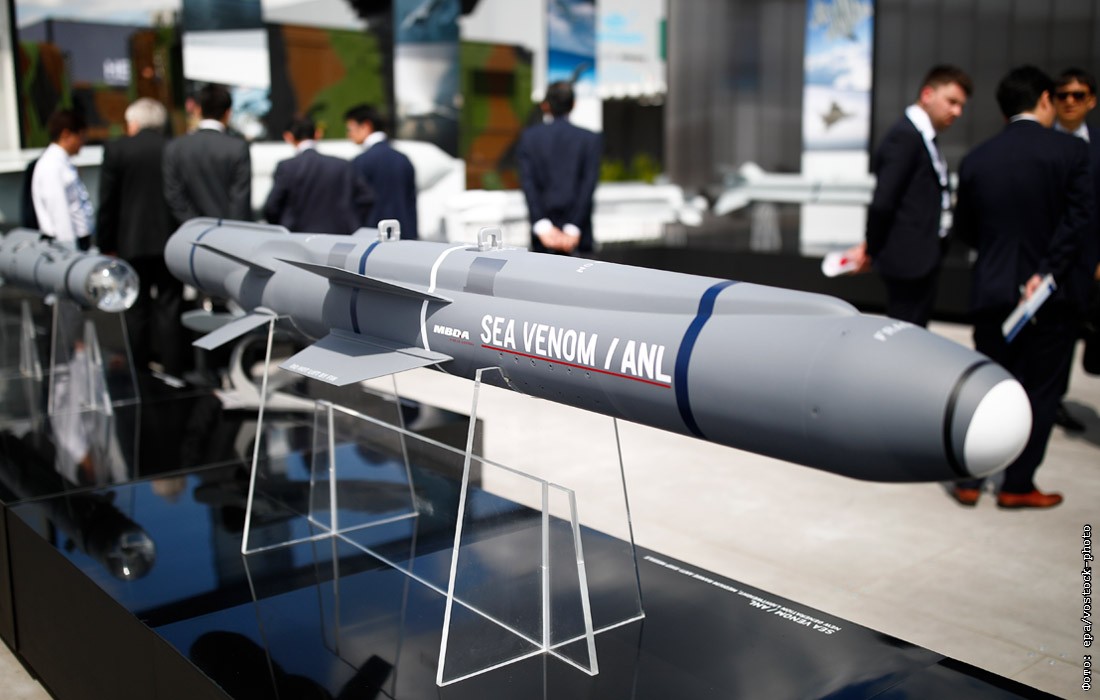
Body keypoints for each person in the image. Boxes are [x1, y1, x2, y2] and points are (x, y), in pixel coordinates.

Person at [950, 65, 1094, 509]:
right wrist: (1045, 272)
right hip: (1051, 298)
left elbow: (965, 229)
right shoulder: (1073, 153)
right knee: (1041, 392)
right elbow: (1078, 225)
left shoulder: (977, 158)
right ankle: (1017, 484)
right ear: (1045, 100)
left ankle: (969, 478)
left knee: (987, 386)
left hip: (991, 289)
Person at [849, 65, 973, 326]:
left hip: (923, 259)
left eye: (961, 105)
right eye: (951, 102)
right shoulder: (905, 137)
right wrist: (871, 248)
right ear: (928, 95)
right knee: (905, 333)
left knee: (914, 330)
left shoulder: (923, 137)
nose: (957, 112)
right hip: (909, 262)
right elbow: (883, 202)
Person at [96, 97, 185, 376]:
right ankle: (174, 369)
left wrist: (105, 243)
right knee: (170, 305)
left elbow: (108, 200)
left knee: (136, 306)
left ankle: (139, 370)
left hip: (131, 240)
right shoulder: (174, 147)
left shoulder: (117, 149)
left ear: (133, 122)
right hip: (170, 241)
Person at [1051, 67, 1100, 431]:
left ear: (1091, 101)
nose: (1070, 101)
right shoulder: (1039, 142)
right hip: (1044, 260)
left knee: (1069, 336)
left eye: (1078, 95)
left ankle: (1055, 398)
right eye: (1063, 95)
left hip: (1087, 263)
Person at [516, 81, 601, 255]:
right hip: (579, 238)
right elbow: (588, 184)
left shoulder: (529, 138)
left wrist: (543, 226)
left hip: (543, 239)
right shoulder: (590, 139)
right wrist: (573, 228)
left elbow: (528, 183)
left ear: (545, 106)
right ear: (574, 104)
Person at [263, 116, 373, 234]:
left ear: (288, 136)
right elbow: (367, 197)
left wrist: (284, 225)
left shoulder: (287, 167)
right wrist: (350, 221)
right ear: (317, 134)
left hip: (298, 235)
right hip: (338, 235)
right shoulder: (342, 165)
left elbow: (272, 207)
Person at [163, 84, 252, 223]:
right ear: (228, 113)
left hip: (188, 231)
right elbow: (240, 202)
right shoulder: (238, 148)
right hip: (228, 232)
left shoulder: (175, 147)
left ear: (198, 109)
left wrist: (196, 225)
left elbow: (174, 196)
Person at [344, 104, 418, 239]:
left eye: (350, 129)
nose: (348, 134)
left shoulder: (360, 162)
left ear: (365, 126)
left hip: (373, 239)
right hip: (405, 238)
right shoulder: (403, 159)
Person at [31, 108, 94, 249]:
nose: (83, 142)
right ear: (66, 134)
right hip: (67, 244)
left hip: (77, 241)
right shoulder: (52, 165)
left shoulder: (62, 162)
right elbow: (59, 213)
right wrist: (70, 252)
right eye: (81, 136)